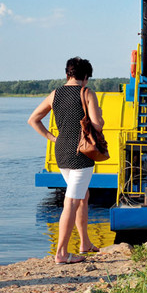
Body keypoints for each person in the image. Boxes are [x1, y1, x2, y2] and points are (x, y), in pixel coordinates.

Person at [28, 57, 104, 264]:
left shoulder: (55, 94)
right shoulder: (87, 93)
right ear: (86, 77)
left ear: (67, 74)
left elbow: (33, 119)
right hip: (81, 153)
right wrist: (101, 118)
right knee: (71, 200)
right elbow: (97, 126)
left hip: (61, 151)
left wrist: (52, 137)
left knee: (83, 195)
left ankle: (85, 243)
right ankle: (61, 253)